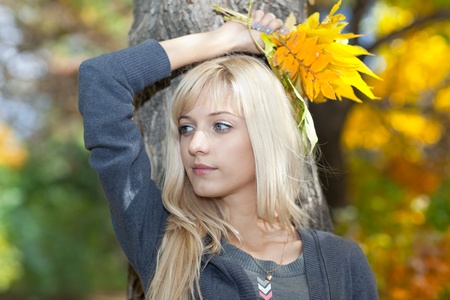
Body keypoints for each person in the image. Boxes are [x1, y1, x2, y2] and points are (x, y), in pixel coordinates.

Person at [78, 10, 378, 300]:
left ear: (266, 135)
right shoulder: (161, 241)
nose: (195, 144)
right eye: (186, 128)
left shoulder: (342, 263)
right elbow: (101, 79)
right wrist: (223, 40)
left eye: (220, 126)